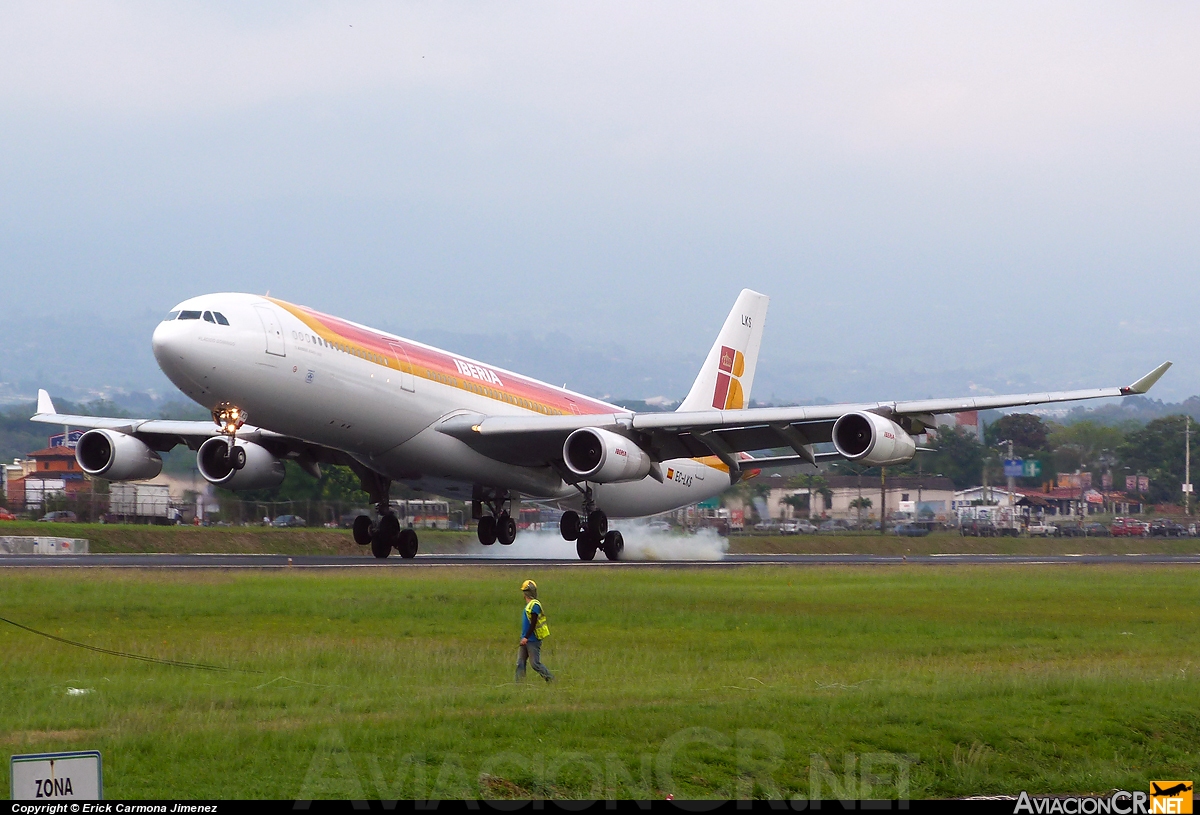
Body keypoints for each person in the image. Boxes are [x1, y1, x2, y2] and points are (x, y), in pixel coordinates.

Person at [516, 579, 553, 682]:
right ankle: (519, 684)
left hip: (532, 640)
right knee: (520, 662)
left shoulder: (535, 605)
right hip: (525, 638)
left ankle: (550, 679)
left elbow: (533, 624)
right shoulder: (530, 605)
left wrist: (526, 638)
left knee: (535, 664)